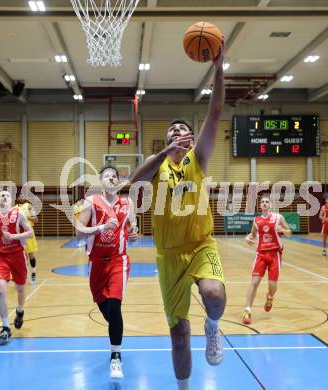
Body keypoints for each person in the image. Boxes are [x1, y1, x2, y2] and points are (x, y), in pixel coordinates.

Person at [131, 44, 226, 390]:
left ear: (190, 137)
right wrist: (162, 152)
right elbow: (133, 181)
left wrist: (218, 68)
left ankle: (213, 327)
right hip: (169, 256)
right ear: (167, 141)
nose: (177, 132)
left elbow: (215, 114)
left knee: (214, 294)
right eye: (172, 131)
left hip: (201, 245)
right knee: (179, 334)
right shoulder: (156, 168)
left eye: (182, 129)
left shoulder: (197, 159)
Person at [75, 166, 138, 379]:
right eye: (106, 176)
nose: (111, 178)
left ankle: (115, 357)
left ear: (118, 182)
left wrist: (134, 232)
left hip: (119, 261)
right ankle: (115, 337)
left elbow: (133, 225)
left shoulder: (127, 203)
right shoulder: (91, 202)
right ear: (101, 182)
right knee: (108, 313)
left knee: (114, 304)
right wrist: (101, 228)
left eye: (114, 176)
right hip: (96, 264)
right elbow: (78, 232)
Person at [0, 190, 34, 345]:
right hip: (1, 256)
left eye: (7, 195)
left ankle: (19, 310)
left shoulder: (18, 214)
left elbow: (30, 233)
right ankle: (5, 327)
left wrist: (14, 237)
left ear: (11, 200)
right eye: (1, 195)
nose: (4, 197)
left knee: (20, 289)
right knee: (0, 289)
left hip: (18, 255)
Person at [242, 195, 292, 325]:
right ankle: (247, 310)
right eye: (262, 202)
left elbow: (289, 232)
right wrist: (247, 239)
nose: (264, 203)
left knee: (272, 285)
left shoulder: (278, 218)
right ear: (260, 205)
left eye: (266, 202)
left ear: (270, 204)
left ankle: (270, 297)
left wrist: (284, 230)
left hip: (275, 254)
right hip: (261, 254)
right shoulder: (256, 220)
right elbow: (251, 235)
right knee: (255, 281)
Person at [16, 195, 39, 283]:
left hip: (28, 233)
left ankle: (33, 272)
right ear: (17, 198)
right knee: (19, 256)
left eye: (23, 196)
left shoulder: (29, 206)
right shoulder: (14, 208)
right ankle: (22, 274)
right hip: (18, 233)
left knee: (31, 254)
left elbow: (36, 219)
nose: (21, 197)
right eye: (20, 196)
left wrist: (25, 216)